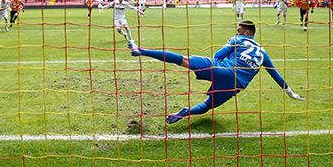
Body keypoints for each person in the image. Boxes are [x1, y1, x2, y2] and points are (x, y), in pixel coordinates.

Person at [128, 20, 305, 124]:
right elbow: (275, 75)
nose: (237, 31)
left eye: (239, 29)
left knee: (183, 60)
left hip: (222, 70)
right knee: (208, 105)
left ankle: (140, 50)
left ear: (247, 32)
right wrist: (290, 92)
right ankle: (186, 112)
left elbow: (217, 55)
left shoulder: (238, 39)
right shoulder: (264, 54)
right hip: (236, 85)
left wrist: (213, 68)